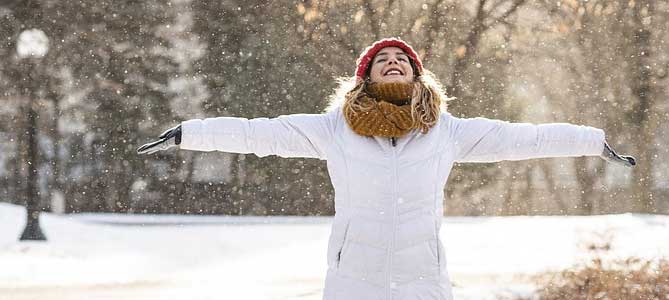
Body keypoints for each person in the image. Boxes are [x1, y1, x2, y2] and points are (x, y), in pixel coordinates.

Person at [138, 38, 635, 300]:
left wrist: (592, 141)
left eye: (402, 59)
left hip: (424, 278)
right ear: (366, 76)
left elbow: (522, 138)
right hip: (354, 277)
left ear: (416, 75)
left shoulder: (447, 131)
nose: (393, 62)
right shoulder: (335, 129)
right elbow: (259, 133)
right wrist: (190, 132)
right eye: (383, 60)